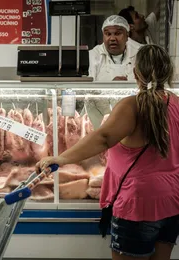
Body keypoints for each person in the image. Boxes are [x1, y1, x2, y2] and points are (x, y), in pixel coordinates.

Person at [37, 44, 179, 260]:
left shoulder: (132, 106)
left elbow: (103, 138)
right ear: (169, 72)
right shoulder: (177, 103)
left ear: (135, 72)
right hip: (172, 200)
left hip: (139, 202)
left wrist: (62, 158)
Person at [89, 15, 142, 82]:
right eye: (108, 34)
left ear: (127, 35)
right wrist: (111, 86)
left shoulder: (140, 52)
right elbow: (88, 87)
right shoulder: (94, 55)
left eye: (118, 33)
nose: (112, 38)